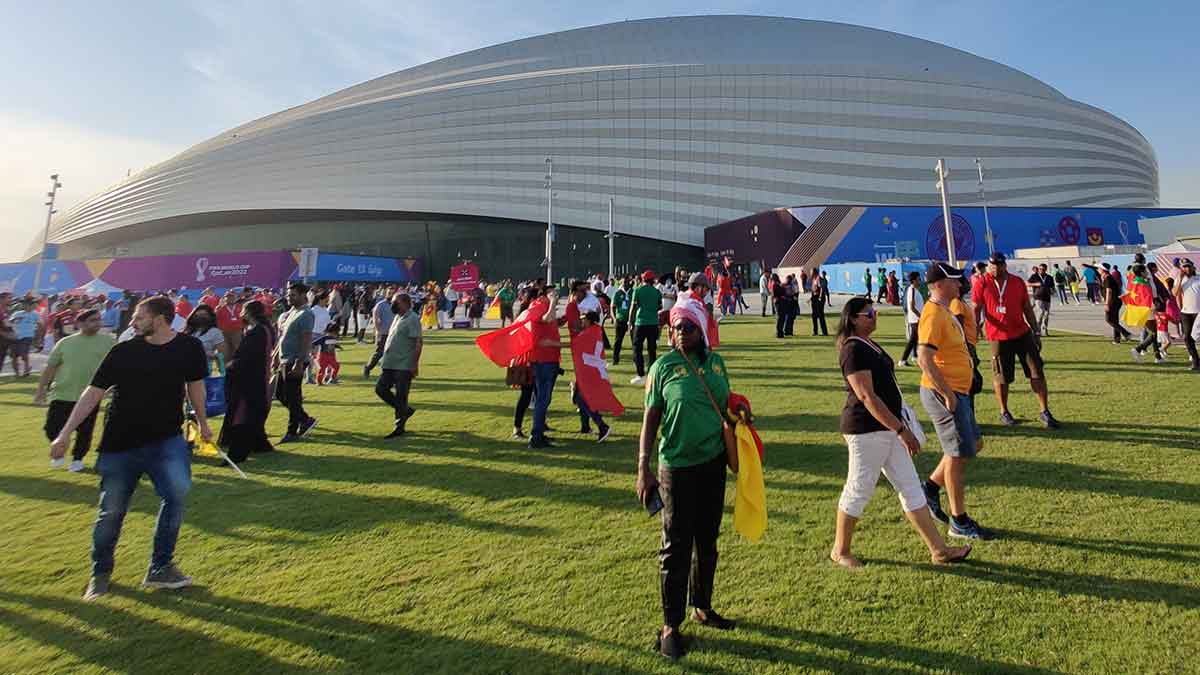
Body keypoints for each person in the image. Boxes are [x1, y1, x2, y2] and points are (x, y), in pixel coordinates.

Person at [49, 295, 209, 600]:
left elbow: (195, 386)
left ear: (160, 318)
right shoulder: (123, 351)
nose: (133, 322)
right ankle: (100, 575)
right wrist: (65, 433)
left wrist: (203, 423)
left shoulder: (189, 347)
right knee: (112, 511)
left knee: (176, 497)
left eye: (139, 317)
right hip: (121, 444)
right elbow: (93, 393)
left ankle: (160, 568)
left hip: (167, 441)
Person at [636, 298, 742, 660]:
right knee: (675, 547)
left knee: (707, 541)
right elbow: (651, 419)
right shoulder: (662, 368)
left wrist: (739, 409)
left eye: (688, 327)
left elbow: (726, 403)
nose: (680, 332)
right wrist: (643, 466)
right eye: (676, 327)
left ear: (701, 329)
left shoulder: (716, 364)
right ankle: (670, 625)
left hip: (712, 465)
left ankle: (703, 606)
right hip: (676, 468)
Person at [832, 297, 972, 568]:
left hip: (889, 428)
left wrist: (900, 428)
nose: (875, 316)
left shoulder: (868, 344)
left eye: (875, 311)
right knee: (859, 488)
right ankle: (841, 550)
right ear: (853, 319)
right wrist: (900, 429)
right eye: (869, 313)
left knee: (910, 487)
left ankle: (939, 550)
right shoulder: (852, 349)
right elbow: (866, 396)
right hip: (867, 431)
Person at [916, 263, 994, 541]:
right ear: (938, 284)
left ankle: (930, 488)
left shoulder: (945, 310)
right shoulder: (934, 314)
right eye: (954, 281)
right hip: (946, 394)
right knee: (959, 455)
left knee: (972, 444)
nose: (960, 285)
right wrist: (948, 394)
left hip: (958, 390)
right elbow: (923, 358)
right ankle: (959, 521)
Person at [972, 252, 1060, 428]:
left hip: (1022, 333)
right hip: (998, 336)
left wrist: (1035, 332)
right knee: (1001, 376)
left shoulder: (1016, 282)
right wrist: (976, 328)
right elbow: (976, 307)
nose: (995, 268)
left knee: (1037, 371)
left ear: (1005, 265)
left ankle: (1045, 411)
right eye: (992, 265)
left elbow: (1027, 308)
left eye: (998, 264)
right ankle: (1004, 411)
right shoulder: (982, 282)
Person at [35, 308, 115, 472]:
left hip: (90, 395)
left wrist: (111, 386)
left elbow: (116, 367)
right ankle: (59, 451)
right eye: (93, 320)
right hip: (62, 393)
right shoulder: (65, 343)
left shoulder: (108, 342)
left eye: (99, 319)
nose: (98, 323)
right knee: (51, 428)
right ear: (80, 323)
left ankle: (78, 458)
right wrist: (41, 389)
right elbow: (50, 368)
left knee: (84, 430)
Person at [220, 300, 276, 462]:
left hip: (251, 379)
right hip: (257, 377)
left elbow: (246, 358)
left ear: (248, 313)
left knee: (243, 415)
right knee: (253, 414)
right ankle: (260, 444)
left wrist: (232, 366)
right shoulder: (262, 330)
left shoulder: (257, 332)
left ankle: (237, 454)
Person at [274, 284, 318, 443]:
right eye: (288, 294)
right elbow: (283, 336)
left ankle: (292, 432)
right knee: (280, 393)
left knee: (292, 397)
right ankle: (305, 419)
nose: (289, 297)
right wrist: (275, 356)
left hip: (295, 360)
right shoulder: (292, 311)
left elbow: (306, 340)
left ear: (302, 295)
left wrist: (299, 363)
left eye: (292, 295)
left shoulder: (307, 314)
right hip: (285, 358)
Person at [376, 293, 423, 438]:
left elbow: (418, 342)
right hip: (390, 363)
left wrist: (414, 364)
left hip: (403, 364)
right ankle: (405, 411)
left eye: (396, 302)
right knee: (380, 389)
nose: (393, 305)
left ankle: (399, 426)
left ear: (404, 303)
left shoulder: (413, 318)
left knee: (401, 395)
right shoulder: (398, 317)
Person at [527, 287, 565, 448]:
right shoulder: (538, 305)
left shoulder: (543, 305)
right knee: (543, 399)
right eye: (552, 293)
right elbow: (547, 319)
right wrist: (553, 302)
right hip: (543, 360)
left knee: (545, 398)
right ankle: (536, 437)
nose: (555, 296)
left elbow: (551, 322)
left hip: (548, 359)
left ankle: (539, 432)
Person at [571, 311, 613, 441]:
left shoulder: (589, 333)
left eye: (583, 319)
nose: (581, 321)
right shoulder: (595, 330)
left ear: (589, 320)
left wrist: (550, 344)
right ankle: (585, 426)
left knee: (580, 399)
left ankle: (602, 425)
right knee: (580, 396)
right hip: (591, 369)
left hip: (589, 371)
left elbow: (575, 345)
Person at [628, 270, 663, 385]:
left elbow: (633, 308)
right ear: (653, 280)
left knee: (637, 349)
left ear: (643, 279)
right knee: (652, 350)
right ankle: (651, 375)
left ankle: (640, 374)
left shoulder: (637, 290)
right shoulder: (657, 291)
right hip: (653, 323)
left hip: (640, 322)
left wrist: (630, 322)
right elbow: (659, 307)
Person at [184, 304, 230, 372]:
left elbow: (223, 354)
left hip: (209, 370)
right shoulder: (187, 332)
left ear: (210, 317)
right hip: (189, 369)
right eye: (197, 315)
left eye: (204, 315)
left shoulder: (215, 332)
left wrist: (207, 355)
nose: (201, 317)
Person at [1173, 258, 1199, 371]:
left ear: (1193, 266)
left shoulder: (1198, 278)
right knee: (1187, 338)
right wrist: (1180, 278)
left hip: (1198, 313)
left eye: (1188, 266)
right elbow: (1175, 293)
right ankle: (1195, 362)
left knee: (1196, 337)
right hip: (1186, 312)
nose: (1187, 268)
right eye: (1184, 267)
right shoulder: (1179, 279)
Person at [363, 291, 395, 378]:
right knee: (379, 353)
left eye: (392, 293)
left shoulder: (396, 305)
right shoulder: (380, 305)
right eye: (389, 293)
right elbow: (375, 318)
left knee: (392, 353)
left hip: (393, 333)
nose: (391, 295)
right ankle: (368, 367)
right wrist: (378, 331)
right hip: (383, 332)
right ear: (386, 294)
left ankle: (387, 373)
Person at [7, 298, 39, 377]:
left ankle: (26, 369)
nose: (26, 306)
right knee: (14, 356)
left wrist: (38, 336)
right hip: (15, 336)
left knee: (23, 353)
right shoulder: (17, 313)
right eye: (25, 304)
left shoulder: (35, 314)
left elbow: (40, 323)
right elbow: (9, 322)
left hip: (28, 336)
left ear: (32, 306)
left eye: (29, 304)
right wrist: (15, 319)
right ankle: (17, 373)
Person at [898, 271, 924, 366]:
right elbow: (912, 306)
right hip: (915, 319)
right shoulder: (912, 289)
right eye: (918, 279)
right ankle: (903, 360)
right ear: (914, 281)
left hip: (916, 319)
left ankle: (914, 357)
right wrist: (920, 316)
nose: (920, 281)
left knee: (915, 339)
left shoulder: (915, 290)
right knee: (913, 339)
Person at [1102, 263, 1132, 343]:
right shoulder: (1108, 277)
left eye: (1099, 269)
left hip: (1113, 302)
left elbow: (1109, 292)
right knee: (1115, 321)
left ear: (1103, 270)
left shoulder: (1108, 278)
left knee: (1109, 319)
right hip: (1116, 301)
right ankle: (1117, 339)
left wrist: (1107, 304)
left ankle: (1126, 333)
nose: (1098, 270)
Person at [1028, 264, 1054, 335]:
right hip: (1038, 297)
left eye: (1043, 269)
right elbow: (1027, 283)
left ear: (1046, 269)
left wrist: (1052, 291)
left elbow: (1052, 287)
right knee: (1041, 312)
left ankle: (1045, 330)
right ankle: (1037, 330)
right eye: (1040, 269)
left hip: (1047, 298)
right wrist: (1036, 284)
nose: (1041, 270)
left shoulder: (1049, 277)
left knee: (1046, 314)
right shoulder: (1034, 276)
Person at [611, 277, 632, 365]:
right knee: (618, 341)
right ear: (621, 283)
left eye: (627, 282)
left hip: (632, 320)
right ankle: (615, 360)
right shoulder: (618, 293)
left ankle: (636, 360)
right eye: (624, 282)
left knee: (635, 341)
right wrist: (614, 318)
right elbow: (612, 306)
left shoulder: (633, 292)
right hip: (621, 319)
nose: (625, 284)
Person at [809, 267, 829, 336]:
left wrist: (820, 296)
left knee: (820, 315)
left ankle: (824, 332)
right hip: (814, 298)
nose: (810, 273)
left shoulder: (818, 278)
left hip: (819, 298)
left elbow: (821, 288)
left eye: (811, 272)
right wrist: (811, 298)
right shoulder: (813, 279)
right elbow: (813, 289)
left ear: (814, 272)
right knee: (814, 315)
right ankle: (815, 331)